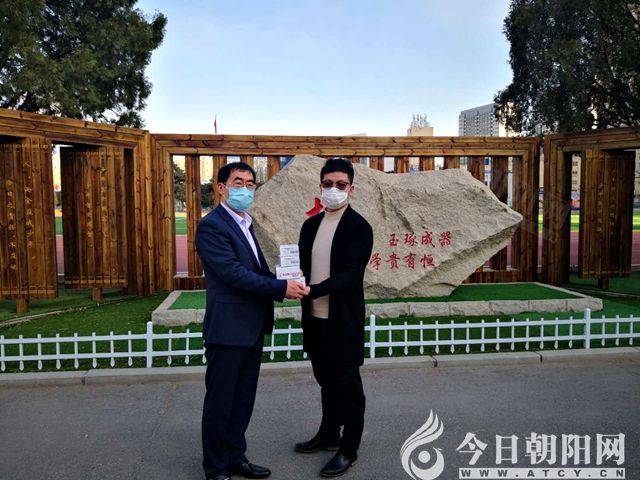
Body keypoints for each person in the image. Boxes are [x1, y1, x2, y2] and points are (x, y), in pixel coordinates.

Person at [196, 161, 309, 480]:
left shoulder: (245, 223)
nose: (245, 189)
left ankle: (236, 457)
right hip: (228, 329)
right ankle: (216, 468)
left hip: (251, 327)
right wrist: (280, 288)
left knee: (242, 399)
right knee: (221, 403)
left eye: (250, 184)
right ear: (221, 188)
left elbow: (255, 271)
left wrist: (285, 280)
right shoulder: (212, 226)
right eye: (237, 183)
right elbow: (233, 274)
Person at [296, 158, 374, 478]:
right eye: (328, 184)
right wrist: (288, 280)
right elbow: (301, 267)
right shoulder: (310, 226)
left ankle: (348, 448)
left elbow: (350, 275)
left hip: (342, 320)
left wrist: (312, 290)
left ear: (351, 188)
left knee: (348, 385)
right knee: (325, 380)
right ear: (320, 186)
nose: (333, 190)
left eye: (341, 185)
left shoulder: (359, 227)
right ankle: (329, 434)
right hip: (314, 318)